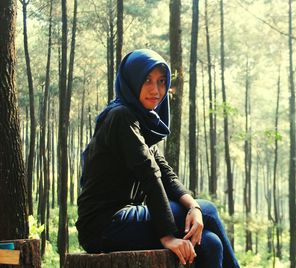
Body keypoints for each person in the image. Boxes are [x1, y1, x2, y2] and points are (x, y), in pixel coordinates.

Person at [76, 49, 240, 268]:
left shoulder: (140, 123)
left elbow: (166, 175)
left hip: (125, 221)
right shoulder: (121, 117)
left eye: (162, 81)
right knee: (209, 209)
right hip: (104, 226)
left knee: (210, 243)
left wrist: (193, 207)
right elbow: (149, 174)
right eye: (147, 80)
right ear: (132, 81)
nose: (156, 90)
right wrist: (168, 237)